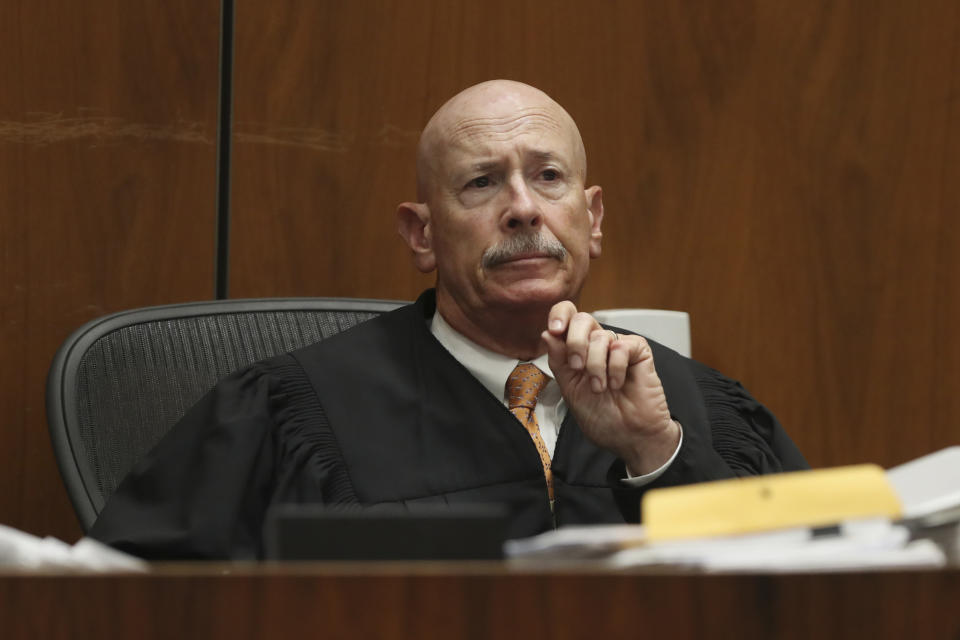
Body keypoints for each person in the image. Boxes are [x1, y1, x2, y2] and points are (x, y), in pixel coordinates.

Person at [90, 80, 807, 559]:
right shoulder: (290, 412)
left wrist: (658, 454)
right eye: (482, 181)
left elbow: (808, 600)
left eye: (548, 177)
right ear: (422, 235)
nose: (523, 207)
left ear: (591, 221)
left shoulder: (699, 410)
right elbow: (121, 601)